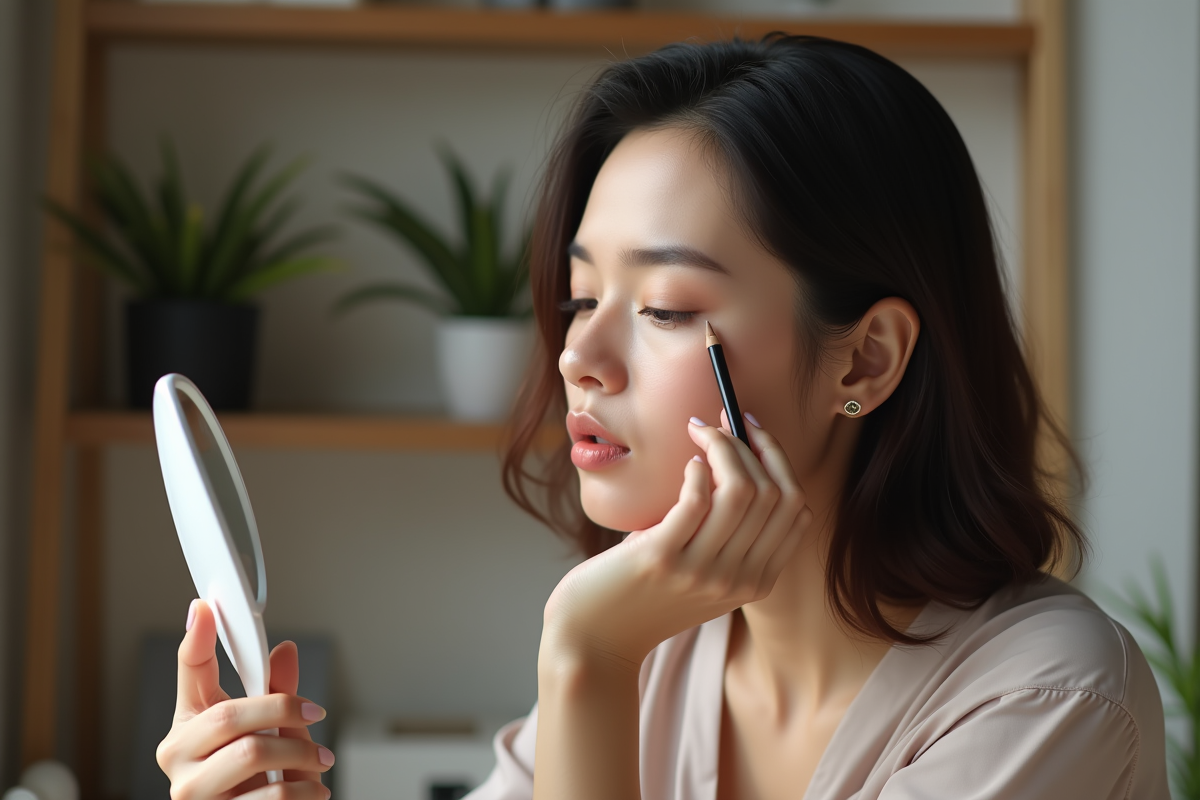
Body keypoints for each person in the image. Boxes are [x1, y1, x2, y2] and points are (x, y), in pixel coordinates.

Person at [157, 35, 1169, 800]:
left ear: (865, 356)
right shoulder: (665, 644)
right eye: (582, 295)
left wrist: (588, 657)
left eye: (667, 309)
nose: (578, 358)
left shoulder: (1047, 700)